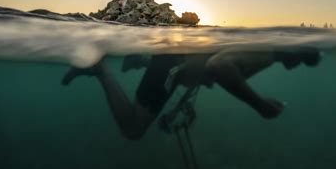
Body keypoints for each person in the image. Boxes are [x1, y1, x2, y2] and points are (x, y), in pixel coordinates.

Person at [62, 48, 321, 140]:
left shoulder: (268, 55)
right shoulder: (265, 54)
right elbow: (218, 67)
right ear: (294, 48)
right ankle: (100, 68)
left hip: (176, 65)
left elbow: (205, 69)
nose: (300, 63)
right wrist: (259, 105)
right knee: (133, 129)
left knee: (175, 72)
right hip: (172, 65)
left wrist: (176, 110)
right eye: (304, 56)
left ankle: (141, 60)